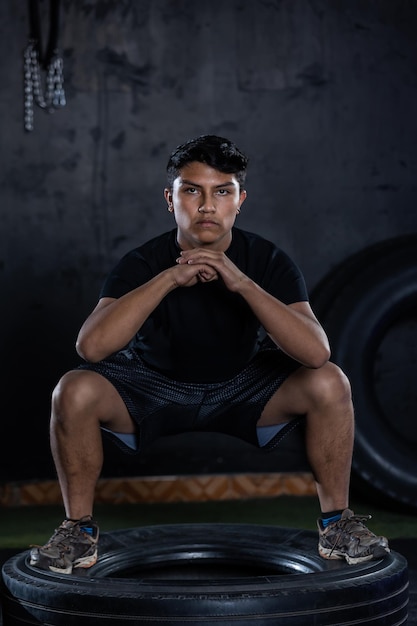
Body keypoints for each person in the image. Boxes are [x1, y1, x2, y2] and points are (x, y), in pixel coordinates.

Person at [30, 134, 389, 575]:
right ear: (171, 199)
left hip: (243, 387)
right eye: (191, 190)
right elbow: (91, 347)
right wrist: (170, 279)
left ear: (240, 200)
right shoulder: (142, 262)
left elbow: (316, 352)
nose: (206, 205)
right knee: (73, 389)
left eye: (222, 192)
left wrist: (240, 282)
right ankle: (77, 533)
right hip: (151, 388)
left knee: (330, 380)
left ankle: (337, 525)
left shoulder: (266, 259)